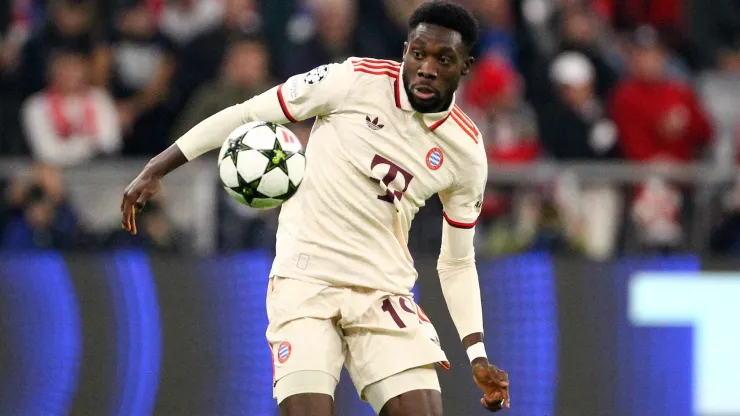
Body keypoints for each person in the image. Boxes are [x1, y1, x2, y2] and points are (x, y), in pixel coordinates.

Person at [120, 2, 510, 415]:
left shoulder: (465, 152)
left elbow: (456, 262)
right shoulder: (351, 79)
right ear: (405, 51)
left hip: (383, 291)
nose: (427, 68)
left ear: (465, 66)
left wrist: (477, 352)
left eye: (443, 59)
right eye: (418, 54)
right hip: (306, 279)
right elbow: (248, 113)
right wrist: (158, 166)